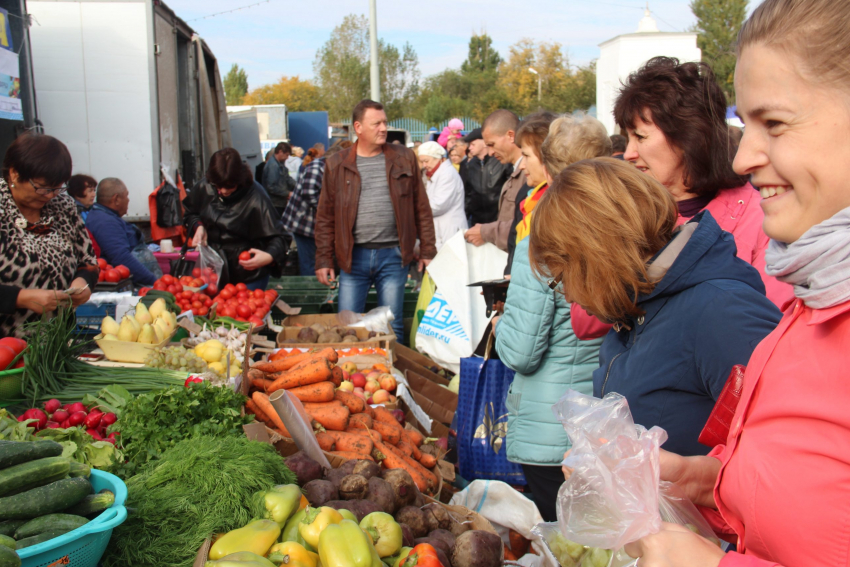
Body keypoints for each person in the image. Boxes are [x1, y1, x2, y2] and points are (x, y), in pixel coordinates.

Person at [621, 1, 850, 565]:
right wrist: (703, 481)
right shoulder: (806, 312)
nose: (744, 155)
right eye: (745, 124)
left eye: (773, 123)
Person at [530, 158, 781, 457]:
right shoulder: (636, 313)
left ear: (596, 256)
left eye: (562, 277)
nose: (568, 295)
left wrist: (694, 480)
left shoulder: (722, 311)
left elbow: (784, 453)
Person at [494, 113, 610, 522]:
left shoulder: (542, 239)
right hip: (605, 421)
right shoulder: (619, 228)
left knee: (565, 537)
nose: (521, 164)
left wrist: (500, 324)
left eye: (528, 154)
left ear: (551, 164)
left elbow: (523, 351)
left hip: (553, 423)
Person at [615, 56, 793, 309]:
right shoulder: (630, 213)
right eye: (628, 138)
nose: (629, 152)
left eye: (640, 137)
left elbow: (770, 322)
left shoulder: (762, 218)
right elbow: (585, 321)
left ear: (689, 138)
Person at [314, 99, 437, 340]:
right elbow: (325, 216)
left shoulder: (404, 157)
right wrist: (323, 258)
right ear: (358, 127)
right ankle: (353, 371)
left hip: (393, 256)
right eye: (376, 123)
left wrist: (428, 250)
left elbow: (421, 207)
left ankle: (394, 376)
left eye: (385, 122)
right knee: (349, 327)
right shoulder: (337, 164)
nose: (383, 128)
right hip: (353, 258)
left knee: (392, 325)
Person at [0, 134, 96, 338]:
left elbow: (88, 261)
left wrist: (82, 282)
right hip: (6, 347)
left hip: (57, 342)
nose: (50, 195)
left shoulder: (63, 206)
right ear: (15, 174)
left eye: (57, 188)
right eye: (42, 187)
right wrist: (20, 297)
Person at [184, 148, 288, 290]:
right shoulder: (205, 187)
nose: (224, 191)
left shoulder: (256, 196)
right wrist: (198, 226)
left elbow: (280, 236)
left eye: (230, 186)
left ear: (240, 180)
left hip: (247, 275)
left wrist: (269, 256)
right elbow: (190, 212)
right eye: (218, 186)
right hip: (212, 272)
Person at [283, 141, 353, 276]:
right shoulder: (317, 168)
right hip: (304, 225)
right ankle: (311, 291)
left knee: (315, 260)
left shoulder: (329, 170)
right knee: (309, 262)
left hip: (314, 226)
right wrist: (331, 212)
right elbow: (309, 194)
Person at [465, 110, 526, 251]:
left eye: (492, 144)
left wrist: (487, 232)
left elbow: (528, 227)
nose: (491, 152)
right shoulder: (516, 171)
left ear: (510, 135)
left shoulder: (530, 174)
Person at [86, 178, 162, 286]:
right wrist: (154, 281)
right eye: (126, 196)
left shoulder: (106, 216)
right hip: (138, 284)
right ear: (116, 199)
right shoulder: (105, 222)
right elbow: (121, 258)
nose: (128, 200)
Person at [417, 141, 468, 251]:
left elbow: (437, 206)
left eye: (426, 161)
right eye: (422, 162)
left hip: (449, 231)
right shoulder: (436, 173)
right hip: (440, 230)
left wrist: (413, 208)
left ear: (437, 158)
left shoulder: (447, 174)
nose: (424, 165)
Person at [462, 128, 511, 227]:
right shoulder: (470, 165)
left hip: (498, 220)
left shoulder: (500, 161)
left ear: (484, 143)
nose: (470, 148)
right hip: (477, 221)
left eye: (473, 144)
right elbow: (468, 193)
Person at [261, 142, 296, 215]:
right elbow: (271, 187)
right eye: (286, 155)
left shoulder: (280, 164)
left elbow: (287, 178)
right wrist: (287, 193)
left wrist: (298, 186)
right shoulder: (273, 166)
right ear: (280, 152)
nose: (287, 158)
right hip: (275, 204)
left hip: (280, 202)